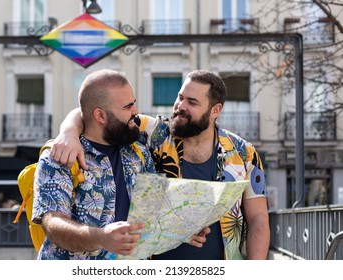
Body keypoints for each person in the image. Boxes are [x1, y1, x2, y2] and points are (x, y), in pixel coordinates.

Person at [50, 70, 270, 260]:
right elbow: (96, 112)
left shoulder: (244, 153)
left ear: (215, 110)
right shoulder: (153, 132)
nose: (180, 106)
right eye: (180, 97)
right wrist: (68, 131)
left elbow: (258, 219)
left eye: (192, 102)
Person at [32, 69, 208, 260]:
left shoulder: (139, 153)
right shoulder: (60, 156)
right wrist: (102, 238)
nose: (135, 112)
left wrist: (182, 229)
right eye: (127, 107)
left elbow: (154, 212)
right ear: (100, 116)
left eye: (134, 103)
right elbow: (53, 224)